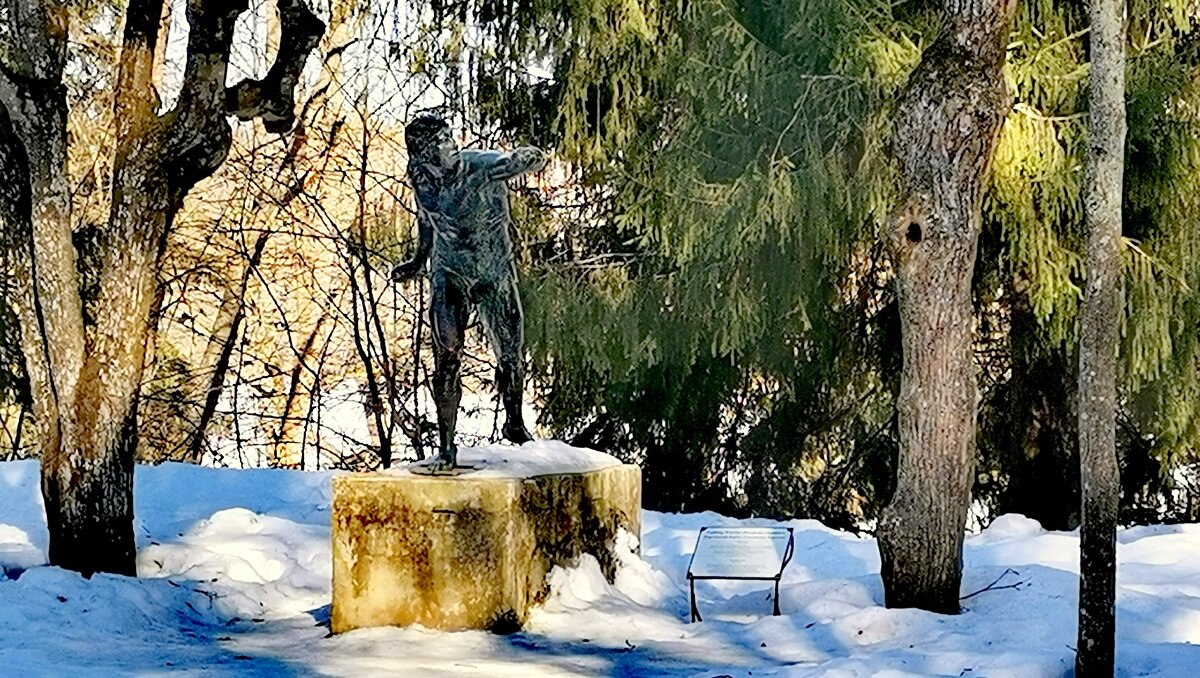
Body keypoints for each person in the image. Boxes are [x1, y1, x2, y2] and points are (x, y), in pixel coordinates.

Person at [392, 113, 547, 470]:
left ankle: (515, 423)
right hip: (449, 274)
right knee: (447, 355)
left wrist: (530, 155)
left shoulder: (479, 167)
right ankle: (447, 446)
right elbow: (428, 219)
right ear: (424, 154)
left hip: (493, 273)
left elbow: (518, 161)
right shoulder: (423, 179)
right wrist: (418, 261)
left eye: (450, 137)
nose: (453, 145)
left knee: (510, 351)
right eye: (444, 142)